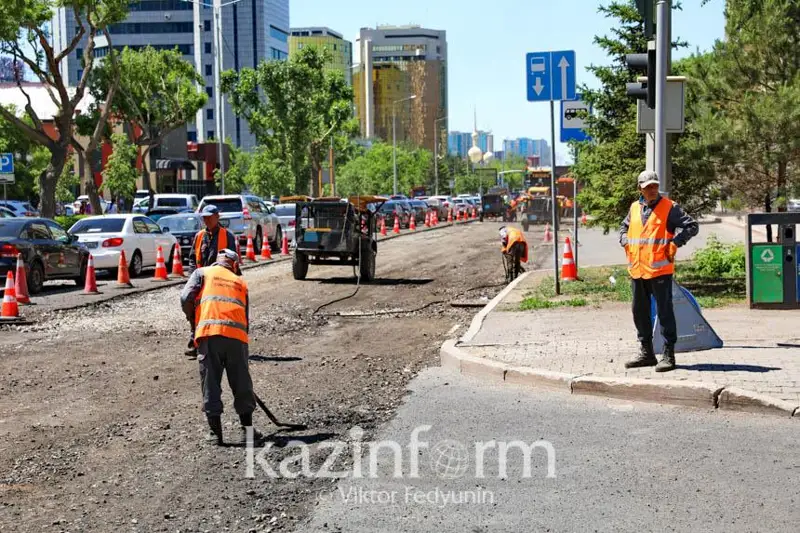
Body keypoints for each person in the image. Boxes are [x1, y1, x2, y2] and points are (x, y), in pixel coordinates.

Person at [180, 249, 264, 445]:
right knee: (242, 383)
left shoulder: (201, 273)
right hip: (237, 337)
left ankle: (215, 434)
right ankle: (248, 432)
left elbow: (185, 299)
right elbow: (245, 316)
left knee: (210, 383)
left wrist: (193, 321)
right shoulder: (240, 282)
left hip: (209, 335)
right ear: (234, 265)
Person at [619, 170, 699, 372]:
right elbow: (623, 228)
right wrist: (624, 241)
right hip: (637, 270)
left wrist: (675, 243)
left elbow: (692, 226)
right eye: (648, 187)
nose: (652, 190)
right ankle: (647, 353)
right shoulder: (634, 208)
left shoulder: (669, 208)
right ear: (640, 189)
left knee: (664, 312)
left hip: (659, 270)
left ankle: (668, 354)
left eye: (655, 186)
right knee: (640, 312)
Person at [184, 205, 239, 358]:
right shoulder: (199, 236)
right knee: (188, 301)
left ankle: (218, 344)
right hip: (200, 278)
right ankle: (195, 339)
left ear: (217, 217)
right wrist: (192, 277)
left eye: (209, 217)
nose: (206, 220)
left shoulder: (227, 236)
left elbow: (232, 261)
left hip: (219, 281)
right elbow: (192, 259)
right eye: (204, 217)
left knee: (215, 311)